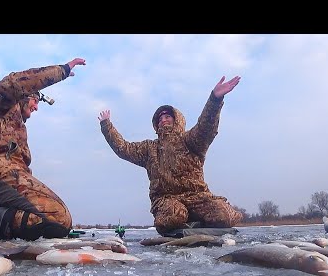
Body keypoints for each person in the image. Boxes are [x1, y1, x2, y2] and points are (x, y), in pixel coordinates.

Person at [0, 58, 86, 241]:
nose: (36, 107)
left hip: (3, 177)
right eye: (35, 100)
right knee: (58, 218)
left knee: (54, 223)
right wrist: (62, 70)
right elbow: (14, 83)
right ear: (24, 97)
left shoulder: (14, 124)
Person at [98, 76, 243, 237]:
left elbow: (206, 127)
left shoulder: (191, 140)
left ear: (177, 120)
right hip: (166, 199)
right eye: (160, 119)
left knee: (223, 215)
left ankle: (198, 218)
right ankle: (182, 220)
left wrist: (215, 100)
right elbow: (123, 148)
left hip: (198, 197)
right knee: (174, 216)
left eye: (167, 117)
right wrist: (107, 126)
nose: (163, 120)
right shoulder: (149, 148)